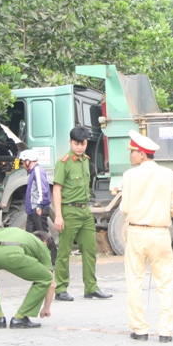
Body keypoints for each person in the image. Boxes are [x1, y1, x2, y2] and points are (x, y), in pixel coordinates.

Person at [121, 130, 173, 342]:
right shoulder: (168, 174)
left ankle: (140, 329)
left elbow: (124, 208)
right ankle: (165, 331)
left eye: (132, 152)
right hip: (160, 233)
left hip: (137, 232)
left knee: (134, 281)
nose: (130, 156)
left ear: (142, 154)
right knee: (165, 283)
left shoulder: (129, 176)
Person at [52, 126, 111, 301]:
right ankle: (61, 289)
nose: (79, 147)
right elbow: (57, 189)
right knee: (64, 251)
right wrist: (58, 215)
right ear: (71, 142)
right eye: (76, 143)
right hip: (69, 210)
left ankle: (91, 287)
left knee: (90, 250)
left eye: (83, 143)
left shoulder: (86, 160)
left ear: (86, 143)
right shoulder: (64, 162)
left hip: (85, 210)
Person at [0, 227, 57, 329]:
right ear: (45, 242)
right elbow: (51, 282)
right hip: (13, 255)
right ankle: (20, 317)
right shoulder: (42, 247)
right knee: (45, 278)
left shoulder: (14, 230)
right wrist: (46, 308)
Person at [20, 149, 51, 233]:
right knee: (30, 236)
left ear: (28, 161)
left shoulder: (37, 171)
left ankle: (49, 247)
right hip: (33, 210)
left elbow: (43, 190)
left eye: (23, 162)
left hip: (38, 209)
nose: (23, 165)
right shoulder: (33, 172)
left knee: (43, 236)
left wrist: (39, 206)